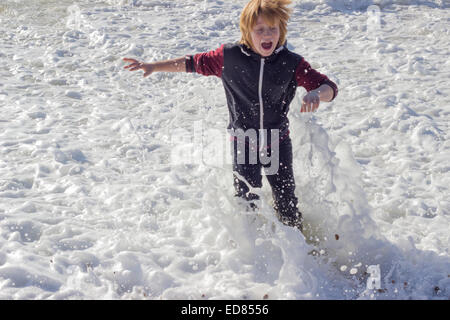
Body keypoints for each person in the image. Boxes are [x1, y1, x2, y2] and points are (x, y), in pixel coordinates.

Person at [123, 0, 338, 233]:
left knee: (287, 204)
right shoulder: (229, 57)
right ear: (247, 31)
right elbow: (192, 63)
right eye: (260, 30)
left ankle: (302, 250)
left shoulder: (291, 62)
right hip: (244, 141)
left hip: (277, 141)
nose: (267, 35)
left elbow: (329, 87)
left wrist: (316, 93)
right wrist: (154, 66)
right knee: (247, 203)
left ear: (281, 30)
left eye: (273, 29)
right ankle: (255, 252)